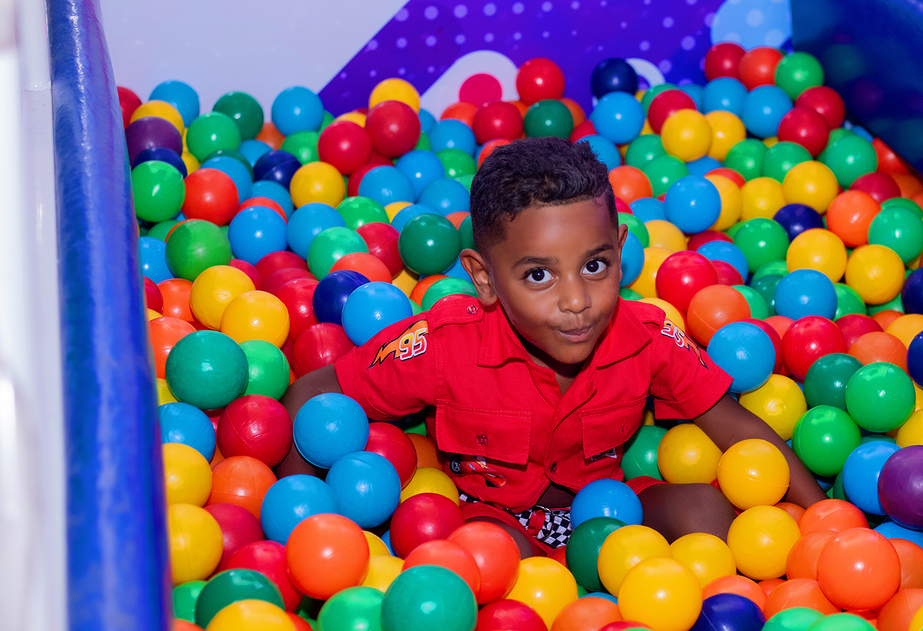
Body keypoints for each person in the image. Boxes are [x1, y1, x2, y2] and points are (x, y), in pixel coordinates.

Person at [281, 137, 826, 556]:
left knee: (706, 508)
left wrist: (824, 521)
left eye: (594, 266)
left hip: (607, 517)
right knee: (491, 557)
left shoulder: (647, 338)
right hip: (489, 518)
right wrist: (300, 520)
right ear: (484, 277)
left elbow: (742, 431)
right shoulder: (442, 345)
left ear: (619, 252)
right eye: (539, 275)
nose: (576, 301)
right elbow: (314, 394)